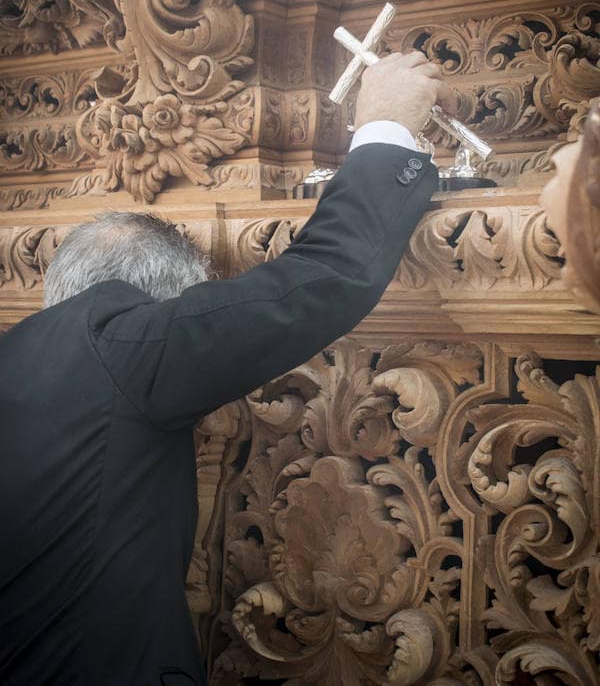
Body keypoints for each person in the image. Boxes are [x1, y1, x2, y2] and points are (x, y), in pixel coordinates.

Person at [0, 52, 455, 686]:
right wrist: (383, 125)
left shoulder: (17, 356)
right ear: (164, 309)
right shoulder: (122, 342)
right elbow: (323, 279)